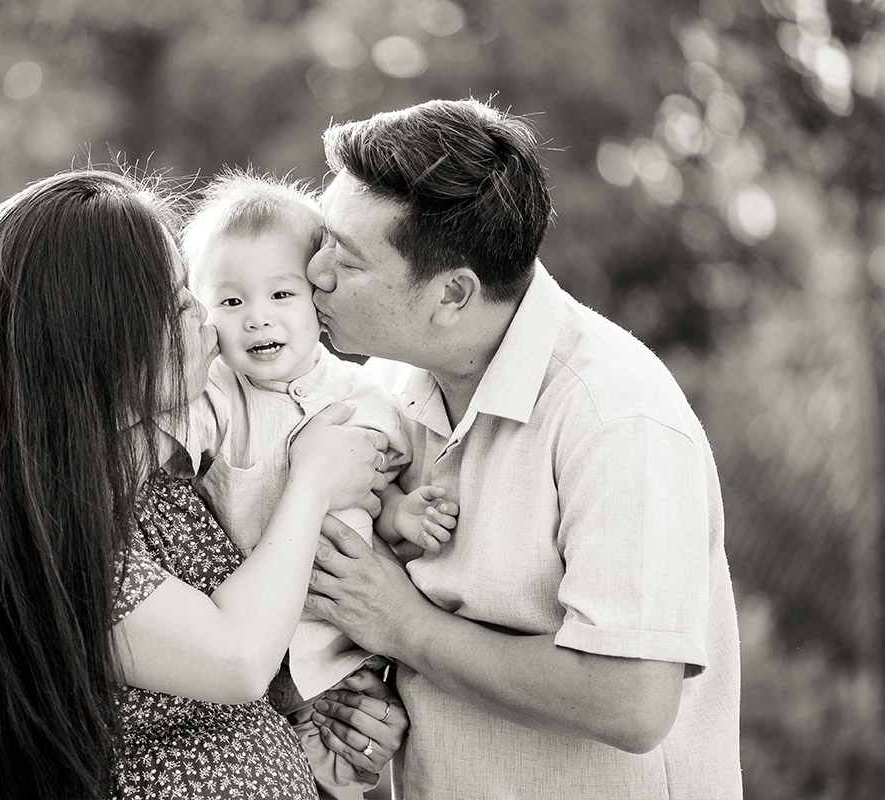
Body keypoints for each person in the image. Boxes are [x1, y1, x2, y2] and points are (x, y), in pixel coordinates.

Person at [0, 169, 409, 800]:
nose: (202, 318)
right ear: (93, 336)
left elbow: (233, 684)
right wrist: (314, 479)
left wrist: (325, 717)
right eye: (174, 300)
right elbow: (236, 658)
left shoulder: (147, 474)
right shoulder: (38, 528)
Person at [303, 99, 742, 799]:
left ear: (452, 294)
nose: (313, 273)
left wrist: (402, 626)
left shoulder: (615, 417)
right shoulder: (381, 383)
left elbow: (631, 701)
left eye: (345, 260)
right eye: (321, 239)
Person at [178, 172, 459, 798]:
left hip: (334, 649)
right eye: (230, 303)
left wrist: (401, 516)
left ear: (317, 299)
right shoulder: (219, 397)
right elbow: (168, 438)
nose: (256, 319)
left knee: (357, 741)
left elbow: (373, 498)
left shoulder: (364, 400)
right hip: (246, 631)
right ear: (202, 319)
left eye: (281, 294)